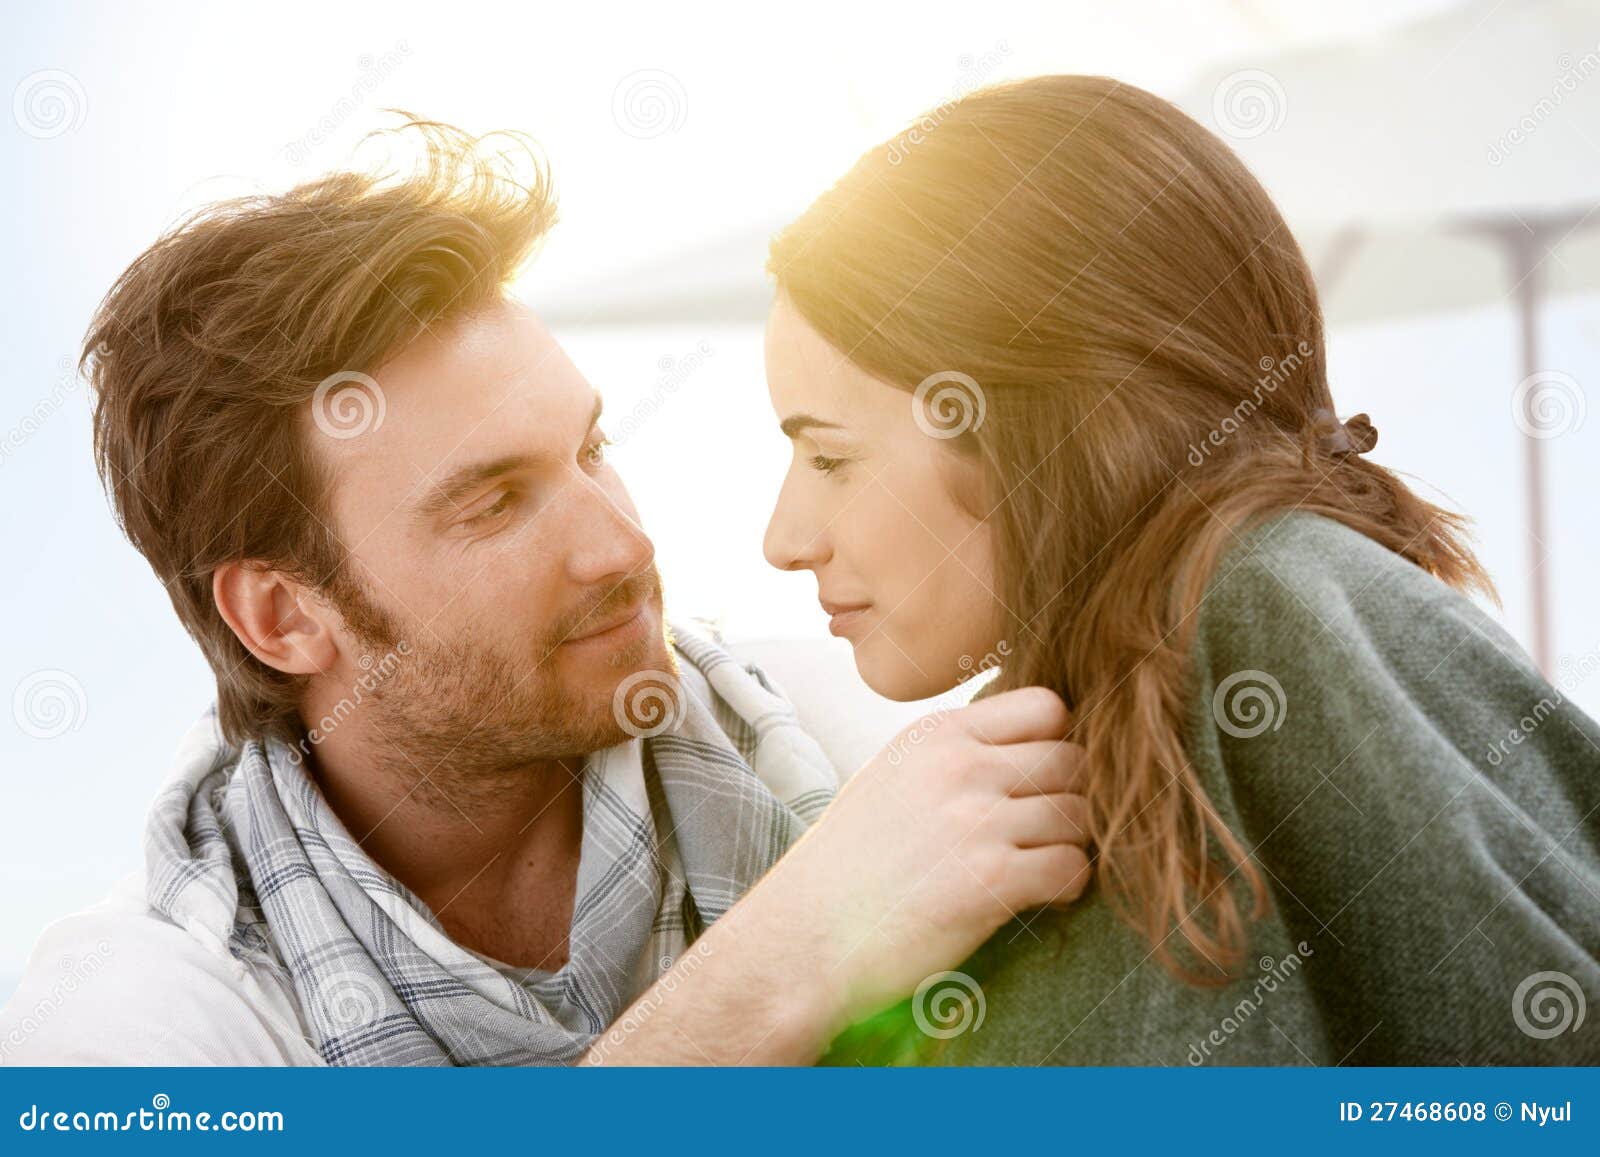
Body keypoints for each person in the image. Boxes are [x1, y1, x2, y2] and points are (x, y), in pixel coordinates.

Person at [0, 123, 1094, 1066]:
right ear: (284, 616)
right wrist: (778, 969)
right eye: (493, 503)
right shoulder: (137, 1021)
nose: (621, 542)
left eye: (592, 447)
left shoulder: (880, 745)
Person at [760, 75, 1600, 1064]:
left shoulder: (1272, 604)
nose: (783, 535)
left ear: (1028, 426)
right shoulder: (1024, 753)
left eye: (830, 457)